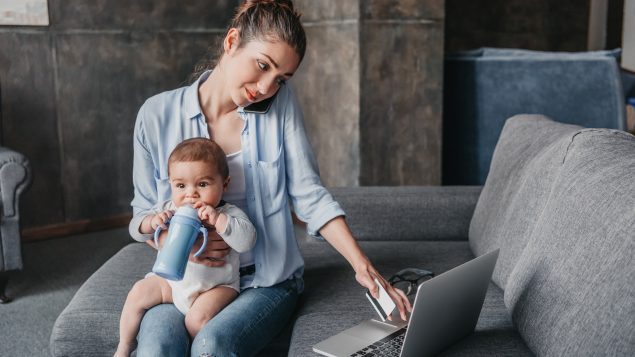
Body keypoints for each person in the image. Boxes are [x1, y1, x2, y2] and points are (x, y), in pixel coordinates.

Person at [128, 0, 412, 355]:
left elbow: (310, 195)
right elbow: (143, 211)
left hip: (266, 283)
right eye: (262, 66)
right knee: (155, 348)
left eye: (280, 78)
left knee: (211, 344)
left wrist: (363, 266)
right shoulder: (156, 115)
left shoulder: (280, 108)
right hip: (187, 281)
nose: (265, 88)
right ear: (232, 42)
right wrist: (175, 242)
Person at [117, 138, 256, 357]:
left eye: (202, 184)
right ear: (171, 184)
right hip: (173, 285)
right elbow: (135, 229)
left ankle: (194, 348)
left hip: (216, 287)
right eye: (181, 186)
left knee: (197, 320)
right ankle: (125, 346)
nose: (191, 194)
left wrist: (218, 220)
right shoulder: (170, 208)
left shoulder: (228, 213)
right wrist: (153, 222)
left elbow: (247, 240)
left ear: (225, 184)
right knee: (138, 293)